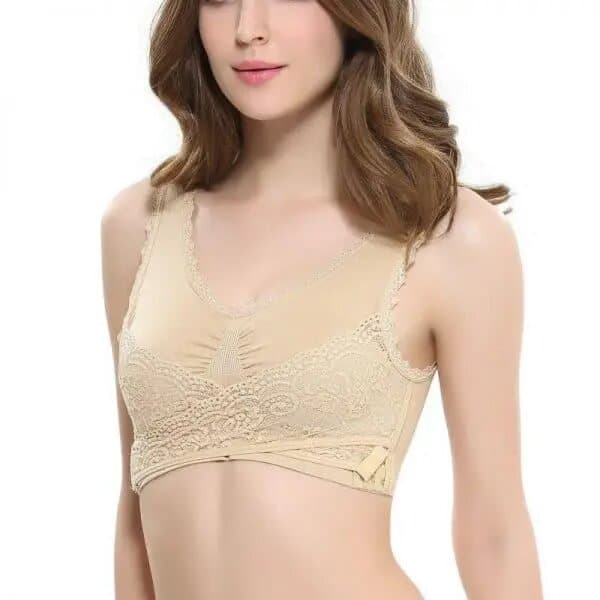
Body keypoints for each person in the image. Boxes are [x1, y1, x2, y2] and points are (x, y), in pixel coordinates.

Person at [101, 1, 543, 599]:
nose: (248, 29)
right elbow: (134, 523)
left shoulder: (447, 234)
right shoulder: (139, 225)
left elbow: (495, 532)